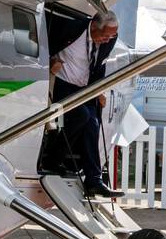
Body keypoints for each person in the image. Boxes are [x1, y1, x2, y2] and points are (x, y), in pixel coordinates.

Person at [48, 10, 121, 197]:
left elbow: (100, 64)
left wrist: (99, 91)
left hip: (85, 88)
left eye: (112, 36)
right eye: (106, 35)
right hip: (63, 84)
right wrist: (50, 61)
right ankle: (52, 160)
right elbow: (45, 41)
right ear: (94, 27)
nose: (109, 40)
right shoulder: (72, 28)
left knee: (92, 124)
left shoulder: (109, 39)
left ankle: (94, 181)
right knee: (82, 115)